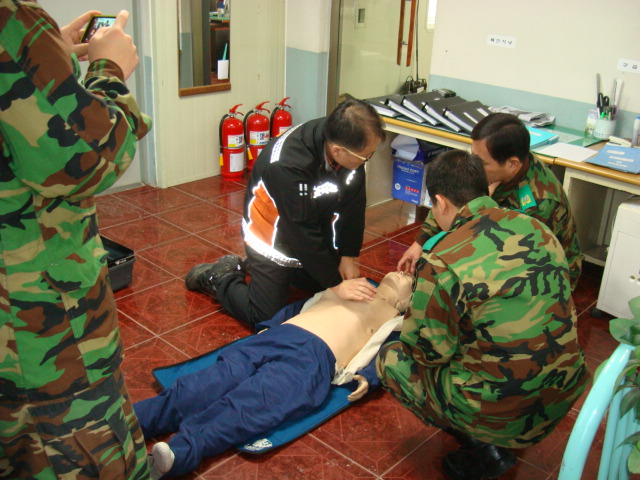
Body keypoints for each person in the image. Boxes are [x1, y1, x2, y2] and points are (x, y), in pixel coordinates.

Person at [0, 5, 151, 479]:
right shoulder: (9, 21)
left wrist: (46, 59)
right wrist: (109, 70)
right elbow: (91, 156)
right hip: (38, 335)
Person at [377, 150, 589, 480]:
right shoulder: (536, 226)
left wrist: (417, 312)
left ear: (440, 203)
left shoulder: (442, 261)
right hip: (564, 392)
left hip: (507, 413)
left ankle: (483, 446)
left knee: (391, 360)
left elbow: (426, 354)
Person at [134, 272, 414, 478]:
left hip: (314, 360)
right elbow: (298, 307)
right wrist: (271, 325)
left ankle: (178, 453)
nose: (404, 272)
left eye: (410, 280)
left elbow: (388, 353)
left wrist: (368, 377)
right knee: (209, 382)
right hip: (280, 335)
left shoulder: (396, 321)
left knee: (250, 405)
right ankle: (137, 419)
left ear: (406, 301)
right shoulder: (348, 285)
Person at [185, 99, 385, 327]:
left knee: (327, 285)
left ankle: (268, 270)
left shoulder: (344, 141)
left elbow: (353, 205)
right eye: (366, 156)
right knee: (265, 317)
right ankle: (222, 277)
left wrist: (348, 256)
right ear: (337, 150)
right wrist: (336, 284)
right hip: (270, 236)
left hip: (310, 224)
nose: (367, 159)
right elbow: (301, 230)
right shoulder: (288, 165)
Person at [397, 112, 583, 290]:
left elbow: (514, 261)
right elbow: (449, 198)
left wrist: (484, 201)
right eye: (473, 156)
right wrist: (419, 243)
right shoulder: (497, 167)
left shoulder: (540, 202)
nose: (474, 167)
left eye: (482, 162)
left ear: (512, 164)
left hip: (544, 275)